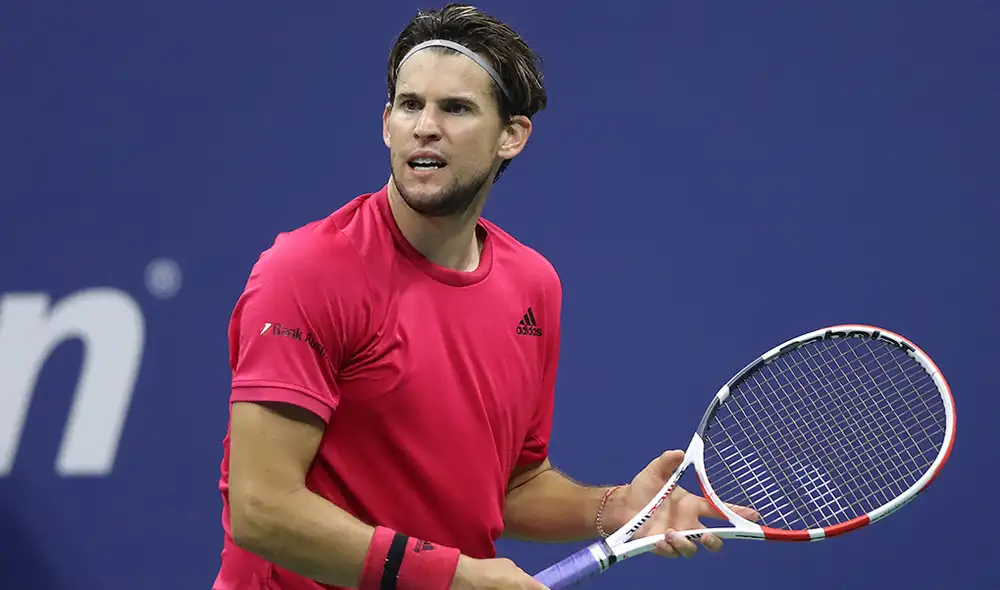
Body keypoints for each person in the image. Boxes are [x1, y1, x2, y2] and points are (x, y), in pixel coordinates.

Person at [213, 4, 758, 589]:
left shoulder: (532, 286)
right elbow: (261, 509)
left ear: (511, 136)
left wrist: (617, 508)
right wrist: (454, 578)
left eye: (456, 108)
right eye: (410, 104)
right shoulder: (307, 272)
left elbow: (512, 486)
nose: (425, 125)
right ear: (386, 124)